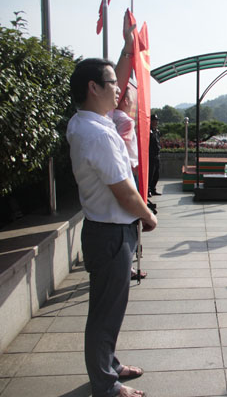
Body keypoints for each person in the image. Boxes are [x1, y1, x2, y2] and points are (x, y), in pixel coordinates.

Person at [67, 24, 157, 397]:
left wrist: (127, 48)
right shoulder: (99, 134)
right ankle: (106, 384)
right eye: (111, 84)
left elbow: (113, 79)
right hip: (110, 232)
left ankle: (110, 365)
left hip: (105, 230)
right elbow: (124, 191)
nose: (119, 89)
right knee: (105, 312)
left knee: (111, 308)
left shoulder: (87, 121)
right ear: (93, 88)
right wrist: (148, 216)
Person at [112, 86, 148, 281]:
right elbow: (124, 151)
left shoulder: (108, 117)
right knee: (132, 219)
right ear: (125, 101)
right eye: (131, 99)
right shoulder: (125, 120)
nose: (133, 103)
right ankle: (129, 266)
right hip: (128, 174)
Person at [148, 114, 161, 197]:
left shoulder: (157, 131)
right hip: (151, 155)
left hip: (157, 154)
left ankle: (153, 189)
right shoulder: (149, 131)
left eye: (156, 121)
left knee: (157, 173)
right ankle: (148, 190)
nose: (156, 122)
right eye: (154, 121)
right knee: (151, 174)